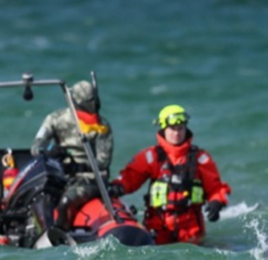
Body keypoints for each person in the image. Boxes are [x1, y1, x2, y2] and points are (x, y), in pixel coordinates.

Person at [109, 104, 230, 245]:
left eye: (180, 128)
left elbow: (216, 188)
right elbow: (130, 177)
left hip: (191, 233)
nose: (176, 133)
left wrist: (217, 202)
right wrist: (117, 187)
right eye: (172, 129)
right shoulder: (151, 157)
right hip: (157, 231)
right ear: (163, 129)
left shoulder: (200, 158)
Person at [30, 80, 113, 229]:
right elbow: (36, 146)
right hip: (60, 174)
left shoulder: (101, 126)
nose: (93, 106)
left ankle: (61, 237)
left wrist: (78, 167)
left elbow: (103, 161)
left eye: (93, 101)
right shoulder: (55, 119)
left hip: (90, 180)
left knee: (66, 202)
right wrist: (49, 151)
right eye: (88, 102)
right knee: (41, 197)